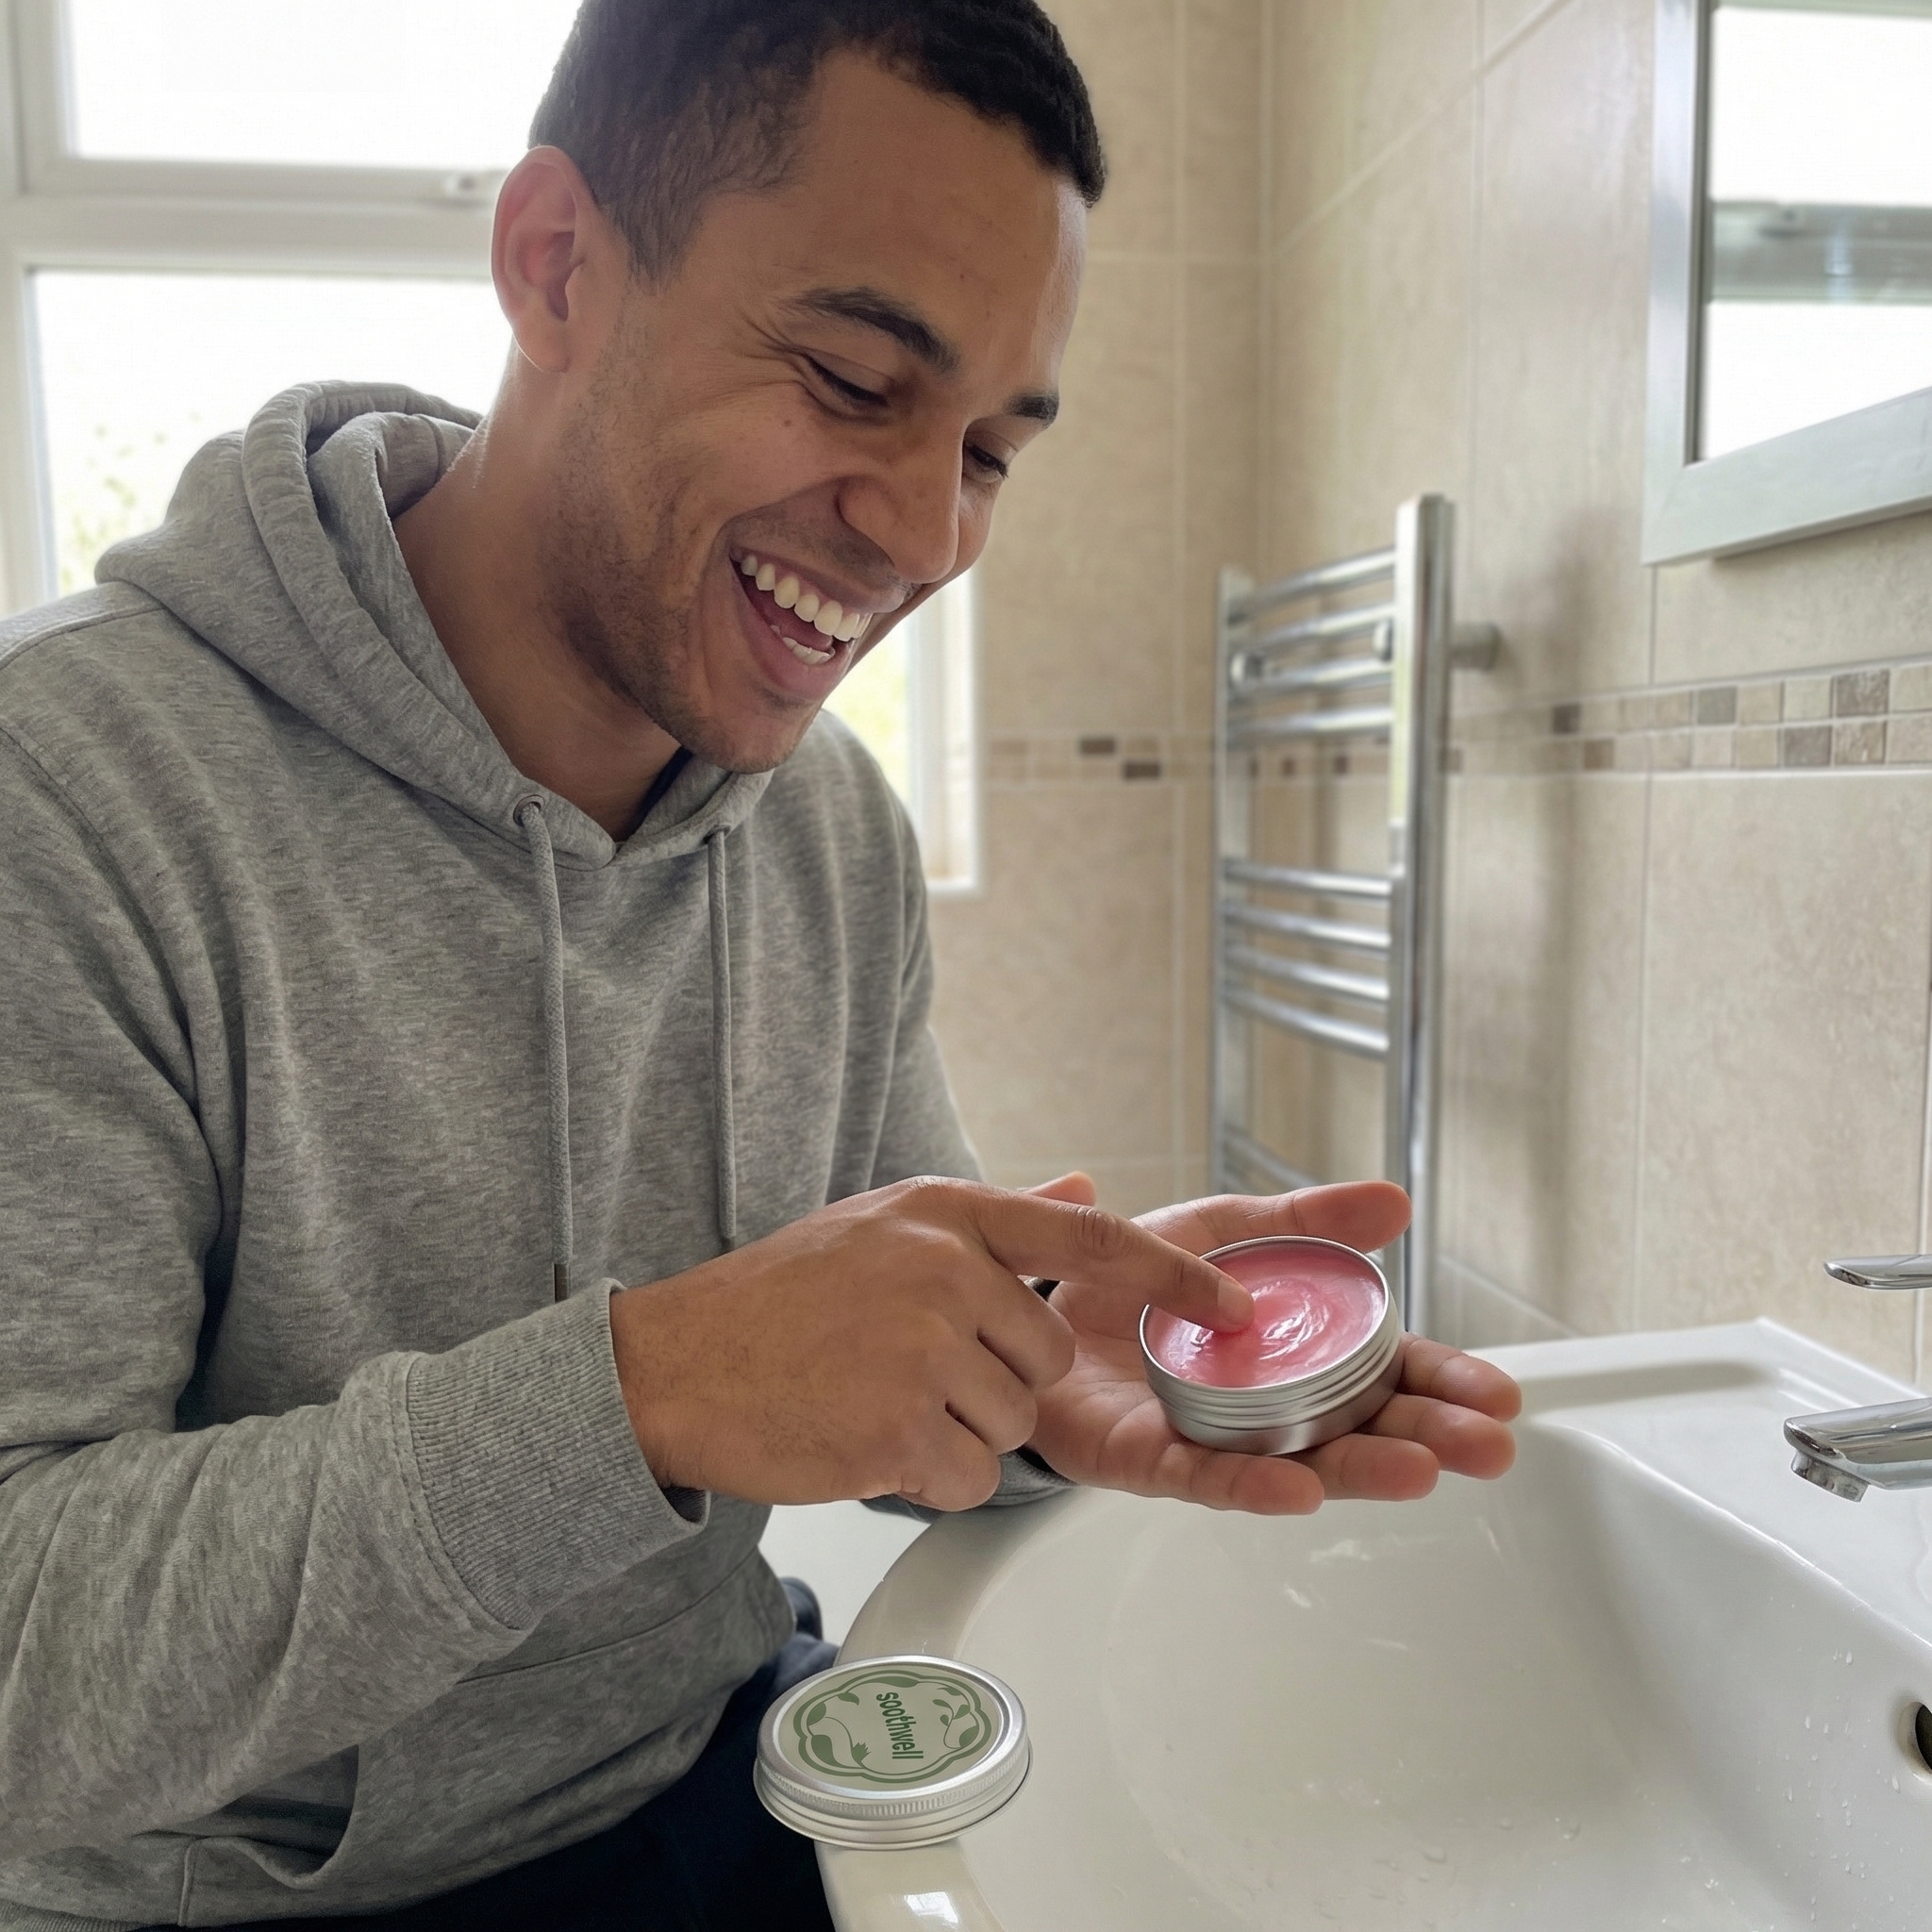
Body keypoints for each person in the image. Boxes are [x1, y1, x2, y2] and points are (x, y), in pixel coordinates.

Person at [0, 2, 1522, 1927]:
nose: (927, 534)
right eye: (853, 380)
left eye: (990, 450)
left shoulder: (824, 826)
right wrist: (639, 1395)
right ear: (557, 263)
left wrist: (1034, 1372)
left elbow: (843, 1351)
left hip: (730, 1783)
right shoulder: (69, 793)